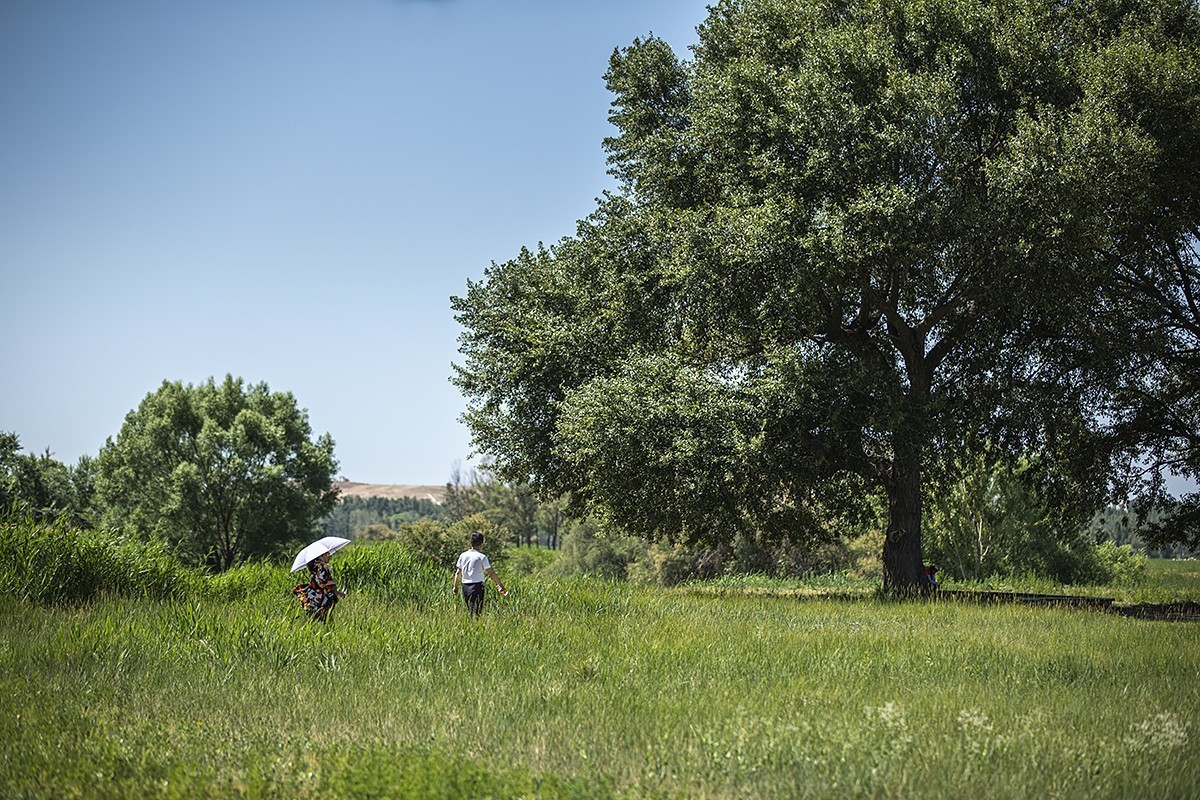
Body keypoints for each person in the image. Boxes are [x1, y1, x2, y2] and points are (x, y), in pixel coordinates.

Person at [453, 531, 506, 615]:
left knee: (470, 609)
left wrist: (455, 586)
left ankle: (471, 622)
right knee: (477, 612)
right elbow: (491, 573)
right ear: (481, 544)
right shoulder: (482, 557)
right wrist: (500, 585)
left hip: (465, 586)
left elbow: (458, 572)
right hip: (477, 586)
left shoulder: (463, 555)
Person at [292, 552, 344, 621]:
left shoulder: (318, 566)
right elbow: (320, 583)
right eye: (327, 555)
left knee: (322, 619)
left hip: (318, 598)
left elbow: (323, 586)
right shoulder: (320, 567)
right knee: (325, 619)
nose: (329, 556)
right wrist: (333, 582)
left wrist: (337, 592)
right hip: (321, 599)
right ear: (320, 557)